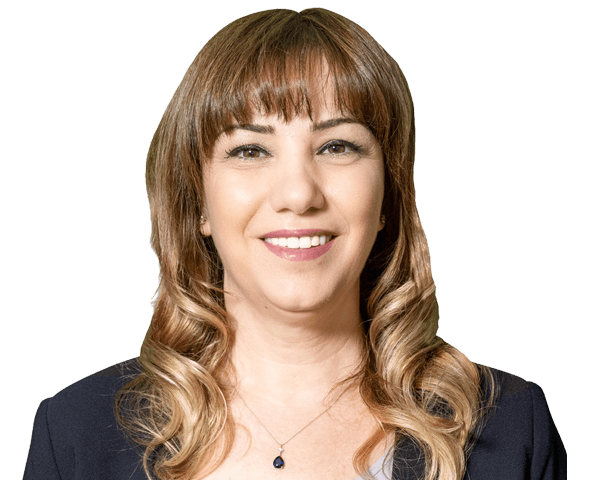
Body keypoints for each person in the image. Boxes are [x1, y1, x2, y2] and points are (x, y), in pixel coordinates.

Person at [23, 8, 567, 480]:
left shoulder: (509, 427)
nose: (299, 194)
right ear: (199, 202)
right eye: (250, 151)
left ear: (388, 195)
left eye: (337, 145)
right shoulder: (74, 435)